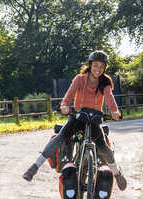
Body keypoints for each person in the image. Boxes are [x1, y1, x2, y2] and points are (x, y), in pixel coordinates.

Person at [22, 50, 127, 190]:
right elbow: (70, 93)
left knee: (103, 147)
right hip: (78, 116)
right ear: (90, 65)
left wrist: (115, 111)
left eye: (102, 67)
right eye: (96, 65)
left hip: (95, 118)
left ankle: (117, 174)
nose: (98, 69)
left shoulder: (105, 82)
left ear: (104, 68)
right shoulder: (80, 79)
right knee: (60, 138)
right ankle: (34, 167)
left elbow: (109, 98)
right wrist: (65, 105)